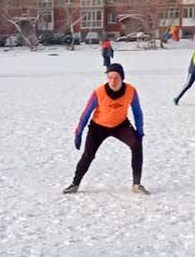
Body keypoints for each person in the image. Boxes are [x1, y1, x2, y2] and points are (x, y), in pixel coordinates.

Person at [63, 63, 147, 195]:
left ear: (122, 78)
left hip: (121, 125)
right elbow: (86, 113)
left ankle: (137, 184)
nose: (113, 81)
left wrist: (140, 132)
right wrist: (78, 133)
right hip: (98, 127)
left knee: (136, 145)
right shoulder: (99, 92)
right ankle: (75, 184)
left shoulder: (131, 91)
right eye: (110, 78)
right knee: (88, 155)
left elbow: (137, 112)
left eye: (116, 78)